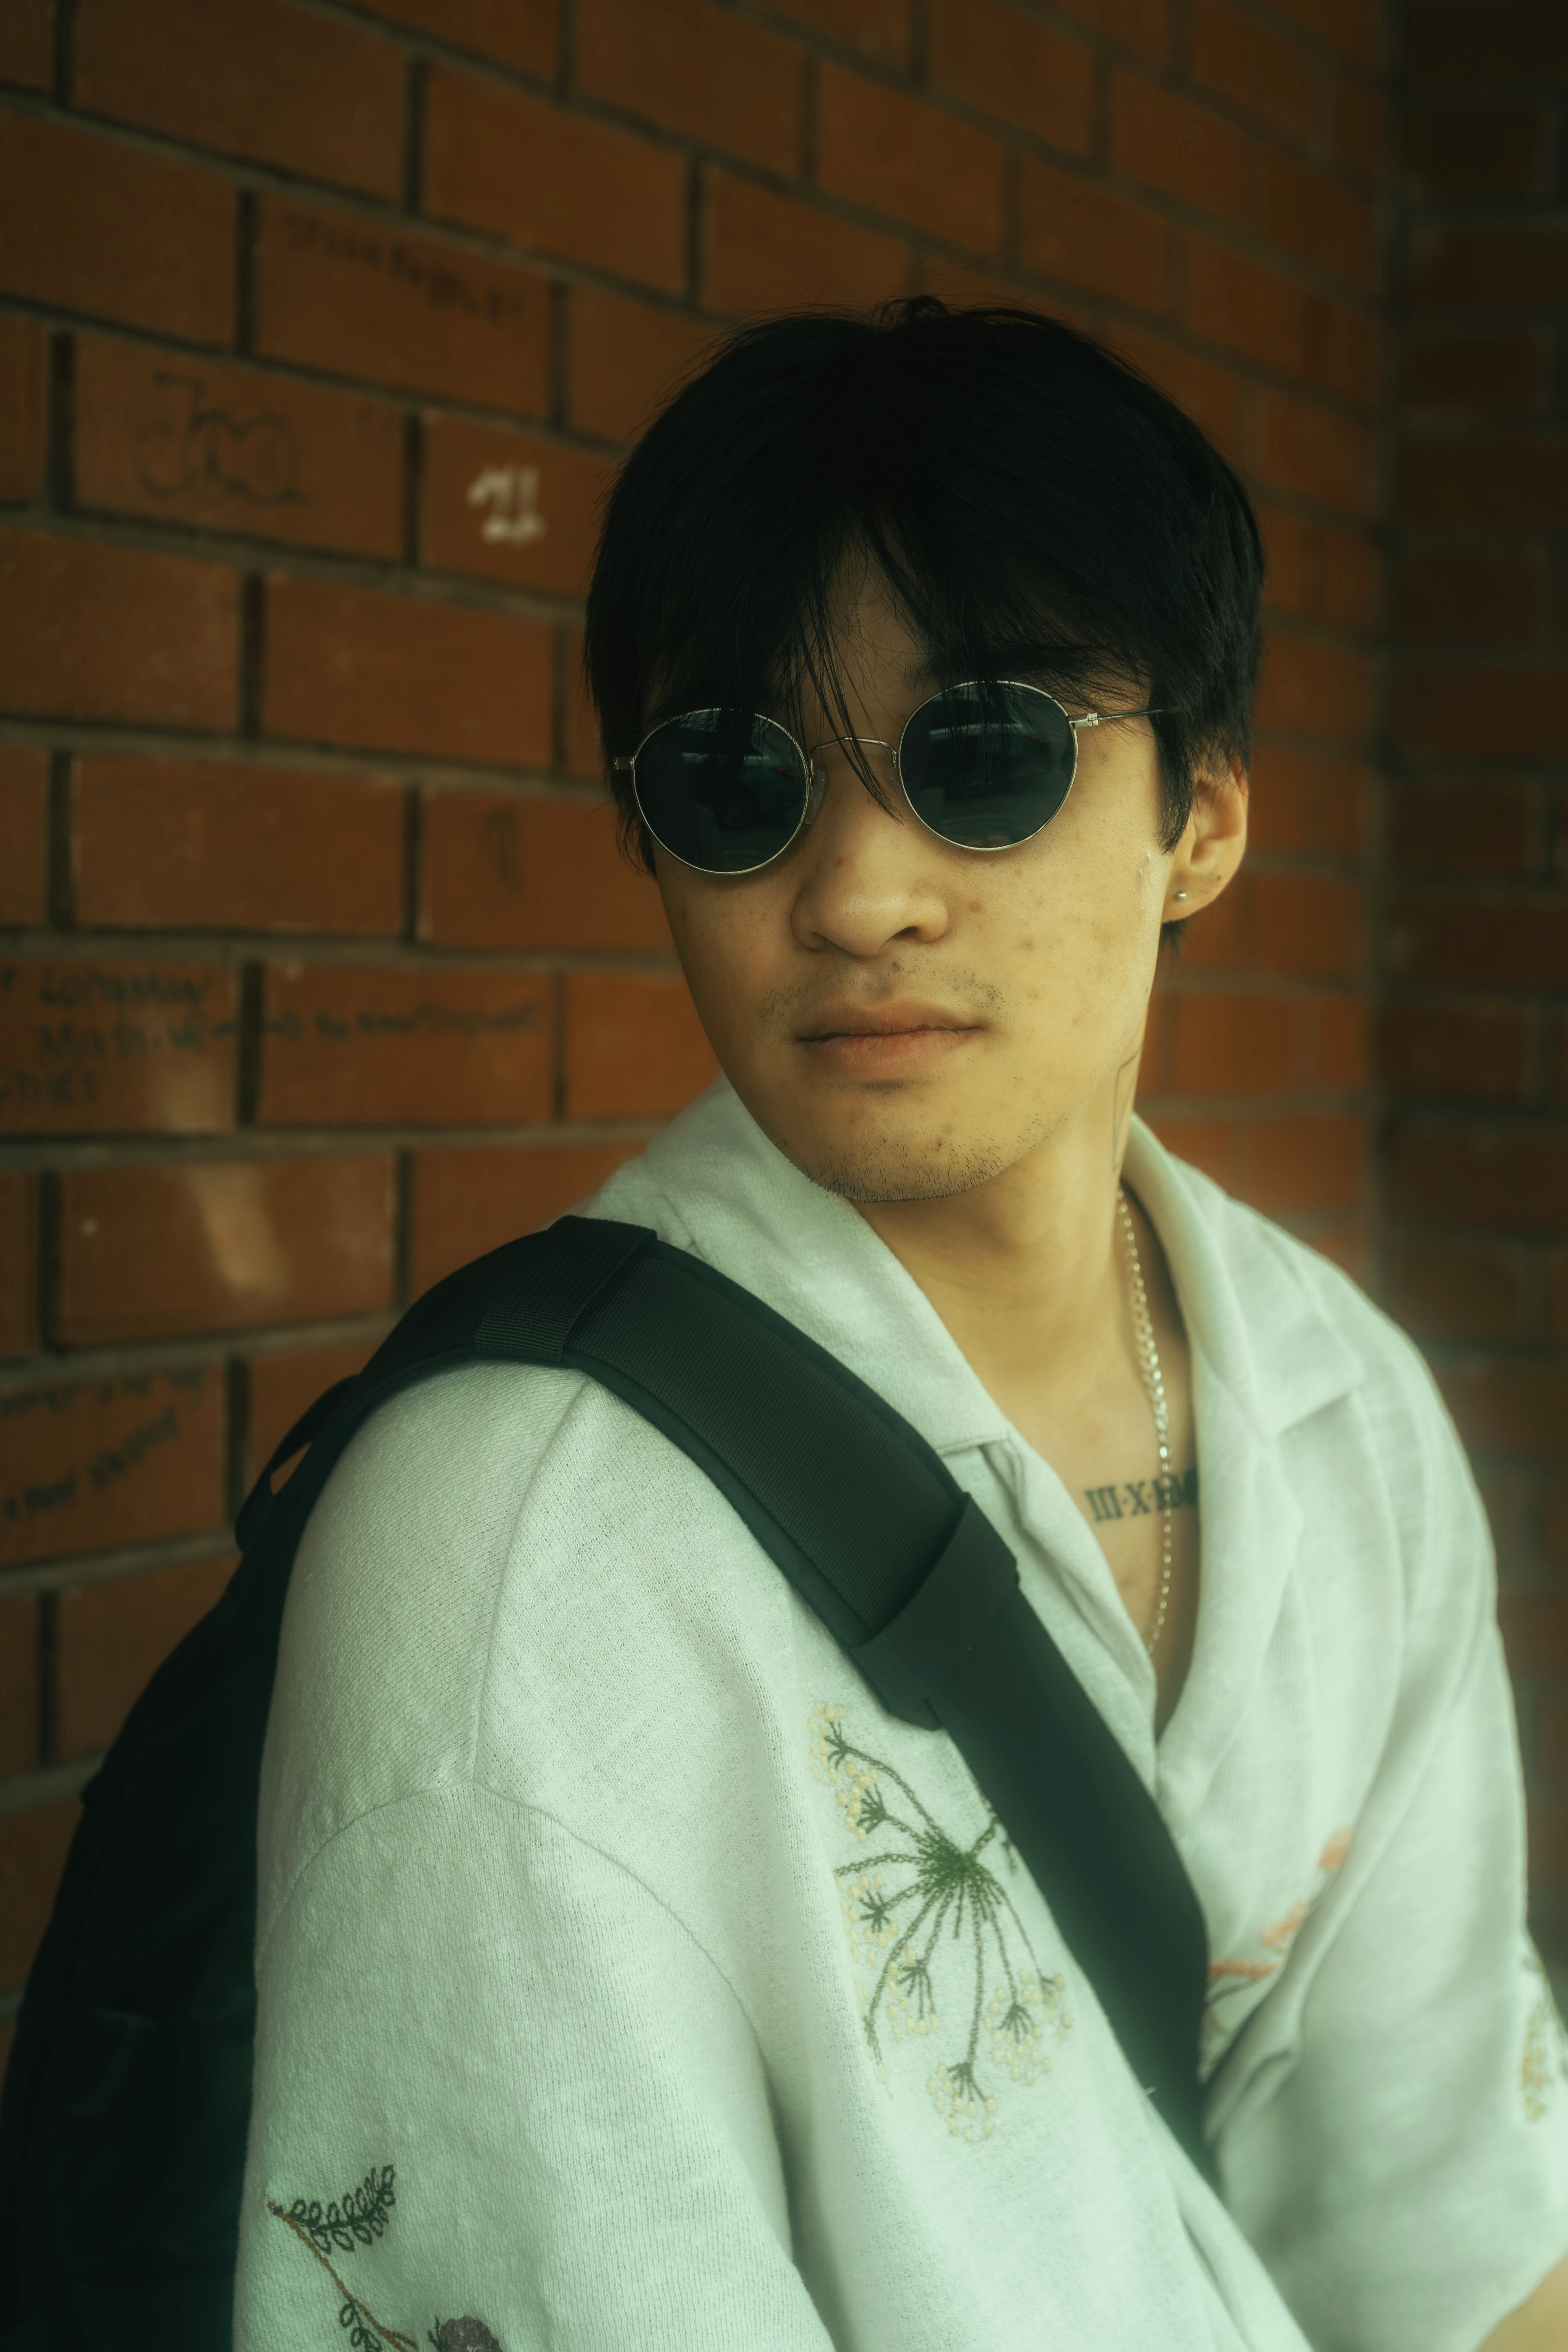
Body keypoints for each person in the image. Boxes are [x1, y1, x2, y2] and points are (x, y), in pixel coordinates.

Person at [234, 301, 1568, 2351]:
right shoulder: (512, 1561)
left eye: (981, 753)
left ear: (1204, 816)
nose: (858, 891)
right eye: (735, 777)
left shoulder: (1343, 1416)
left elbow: (1452, 2235)